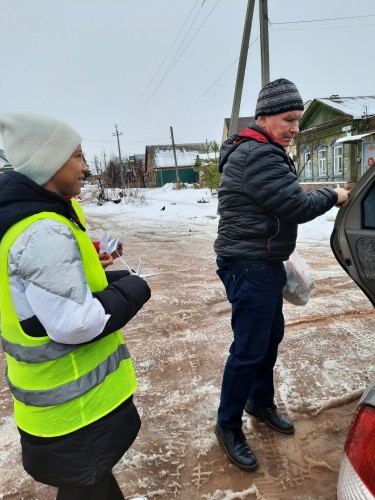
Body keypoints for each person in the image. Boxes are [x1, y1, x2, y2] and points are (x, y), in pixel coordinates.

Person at [0, 112, 151, 499]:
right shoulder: (42, 230)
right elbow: (74, 323)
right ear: (49, 162)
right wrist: (135, 289)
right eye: (78, 156)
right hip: (75, 413)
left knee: (88, 487)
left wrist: (107, 278)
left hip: (59, 413)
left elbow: (39, 297)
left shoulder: (26, 216)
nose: (85, 167)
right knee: (88, 487)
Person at [213, 78, 348, 471]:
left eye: (298, 121)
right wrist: (334, 195)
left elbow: (276, 203)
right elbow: (295, 204)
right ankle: (228, 424)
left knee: (269, 336)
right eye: (289, 119)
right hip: (249, 266)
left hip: (261, 261)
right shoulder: (258, 154)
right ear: (264, 117)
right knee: (248, 348)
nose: (295, 128)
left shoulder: (261, 149)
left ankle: (260, 401)